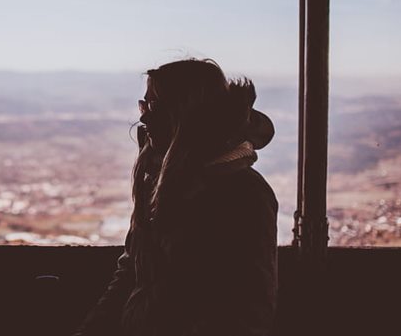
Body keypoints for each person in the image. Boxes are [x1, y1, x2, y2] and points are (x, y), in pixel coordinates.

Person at [75, 59, 278, 336]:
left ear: (186, 112)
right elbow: (133, 271)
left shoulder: (244, 194)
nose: (144, 118)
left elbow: (245, 312)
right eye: (144, 105)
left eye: (155, 105)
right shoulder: (159, 181)